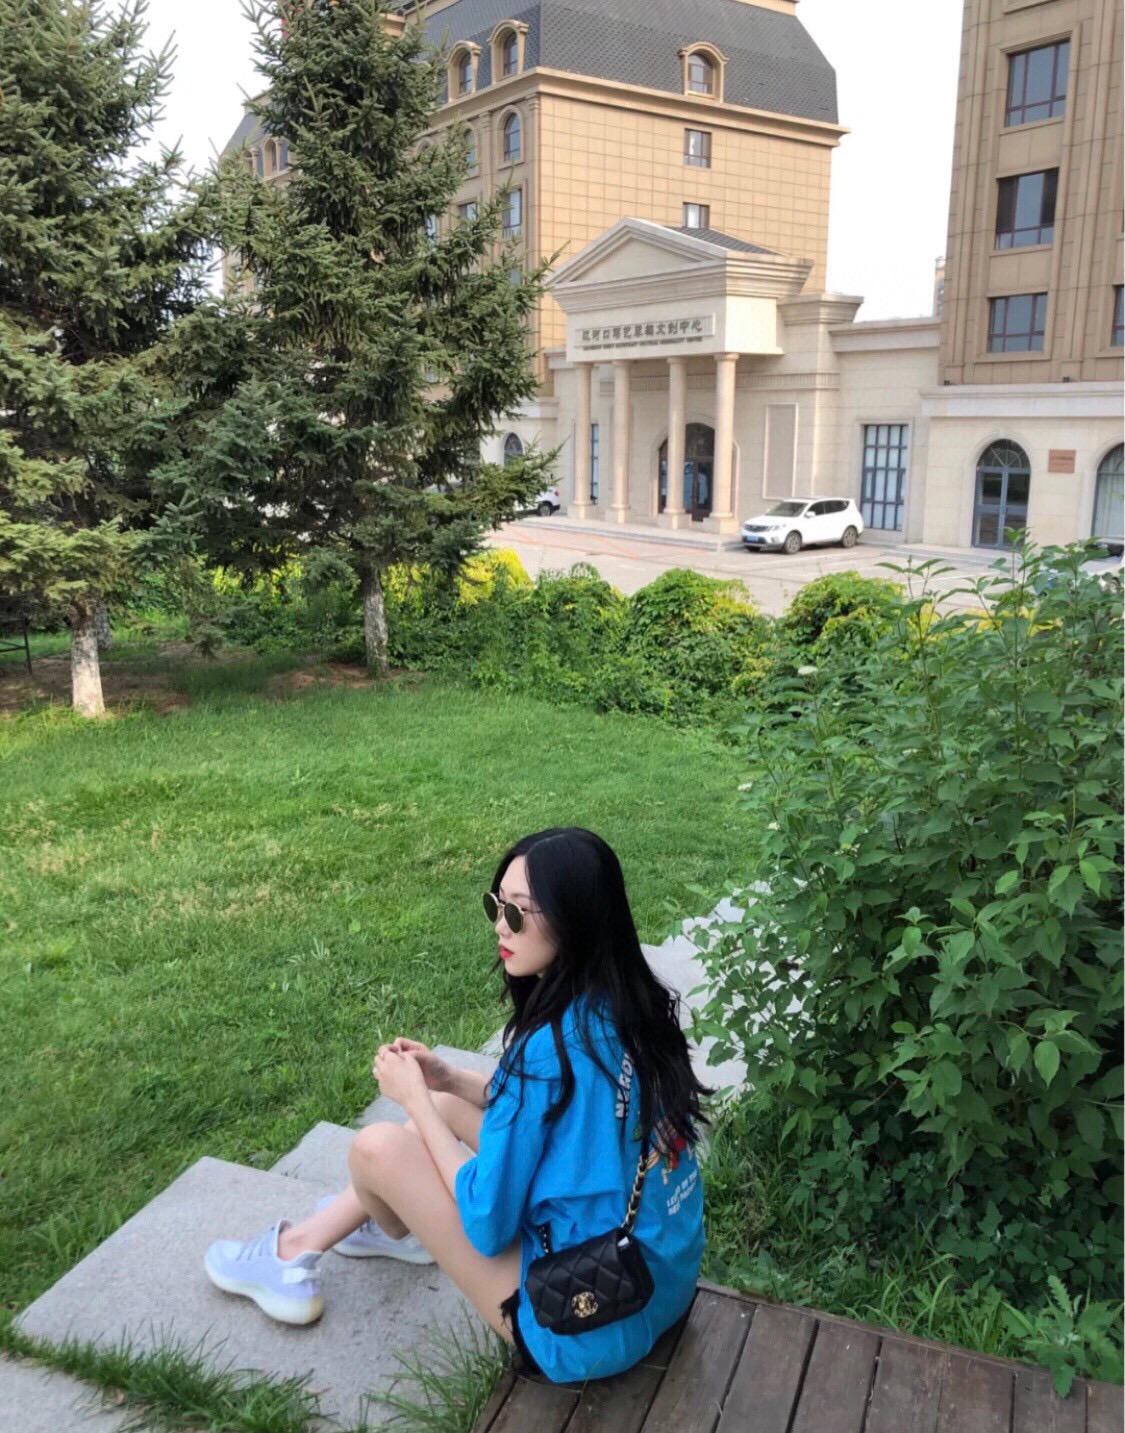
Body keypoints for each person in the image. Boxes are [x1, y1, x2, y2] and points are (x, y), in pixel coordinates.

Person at [204, 827, 708, 1383]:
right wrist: (447, 1081)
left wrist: (415, 1099)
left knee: (377, 1148)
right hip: (662, 1283)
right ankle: (342, 1230)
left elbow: (489, 1223)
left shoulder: (547, 1051)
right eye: (496, 905)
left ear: (576, 919)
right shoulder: (628, 1006)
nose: (500, 926)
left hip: (581, 1321)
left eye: (518, 913)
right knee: (446, 1105)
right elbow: (550, 1109)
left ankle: (306, 1247)